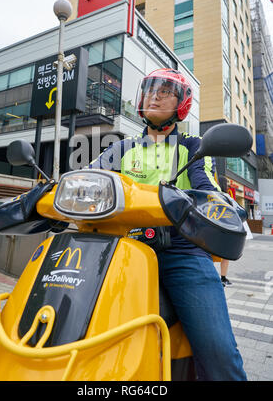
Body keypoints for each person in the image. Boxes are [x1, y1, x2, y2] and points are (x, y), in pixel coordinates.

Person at [89, 68, 247, 381]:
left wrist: (220, 205)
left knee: (219, 356)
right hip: (123, 251)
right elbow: (91, 179)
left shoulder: (192, 146)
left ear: (182, 103)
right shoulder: (121, 149)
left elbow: (207, 187)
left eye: (165, 91)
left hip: (182, 252)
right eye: (150, 90)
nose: (155, 95)